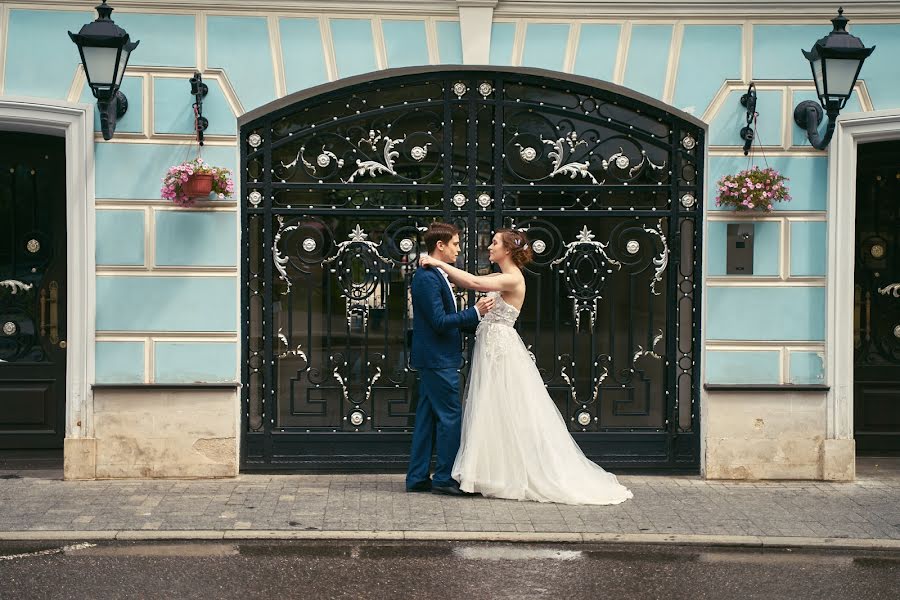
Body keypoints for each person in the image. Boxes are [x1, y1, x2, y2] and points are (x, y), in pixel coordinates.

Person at [419, 228, 633, 505]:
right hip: (490, 347)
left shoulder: (512, 278)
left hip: (501, 350)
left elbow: (472, 282)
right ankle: (488, 472)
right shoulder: (499, 277)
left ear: (507, 250)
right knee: (490, 407)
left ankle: (508, 473)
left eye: (494, 243)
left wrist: (438, 262)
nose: (490, 247)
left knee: (505, 406)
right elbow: (474, 283)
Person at [406, 222, 494, 496]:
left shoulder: (436, 274)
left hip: (436, 357)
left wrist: (478, 321)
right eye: (455, 243)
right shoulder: (426, 277)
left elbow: (446, 320)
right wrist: (475, 312)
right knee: (450, 417)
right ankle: (444, 477)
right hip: (437, 359)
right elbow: (439, 322)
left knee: (426, 418)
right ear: (440, 245)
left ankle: (418, 477)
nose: (458, 248)